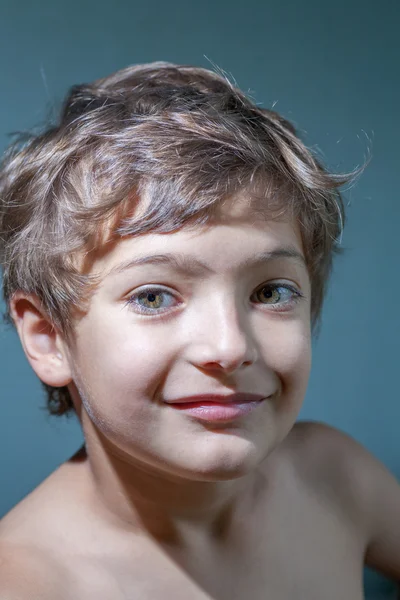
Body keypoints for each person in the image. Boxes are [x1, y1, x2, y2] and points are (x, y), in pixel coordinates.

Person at [0, 61, 398, 599]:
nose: (230, 347)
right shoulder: (26, 583)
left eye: (270, 292)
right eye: (153, 297)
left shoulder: (336, 479)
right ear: (48, 337)